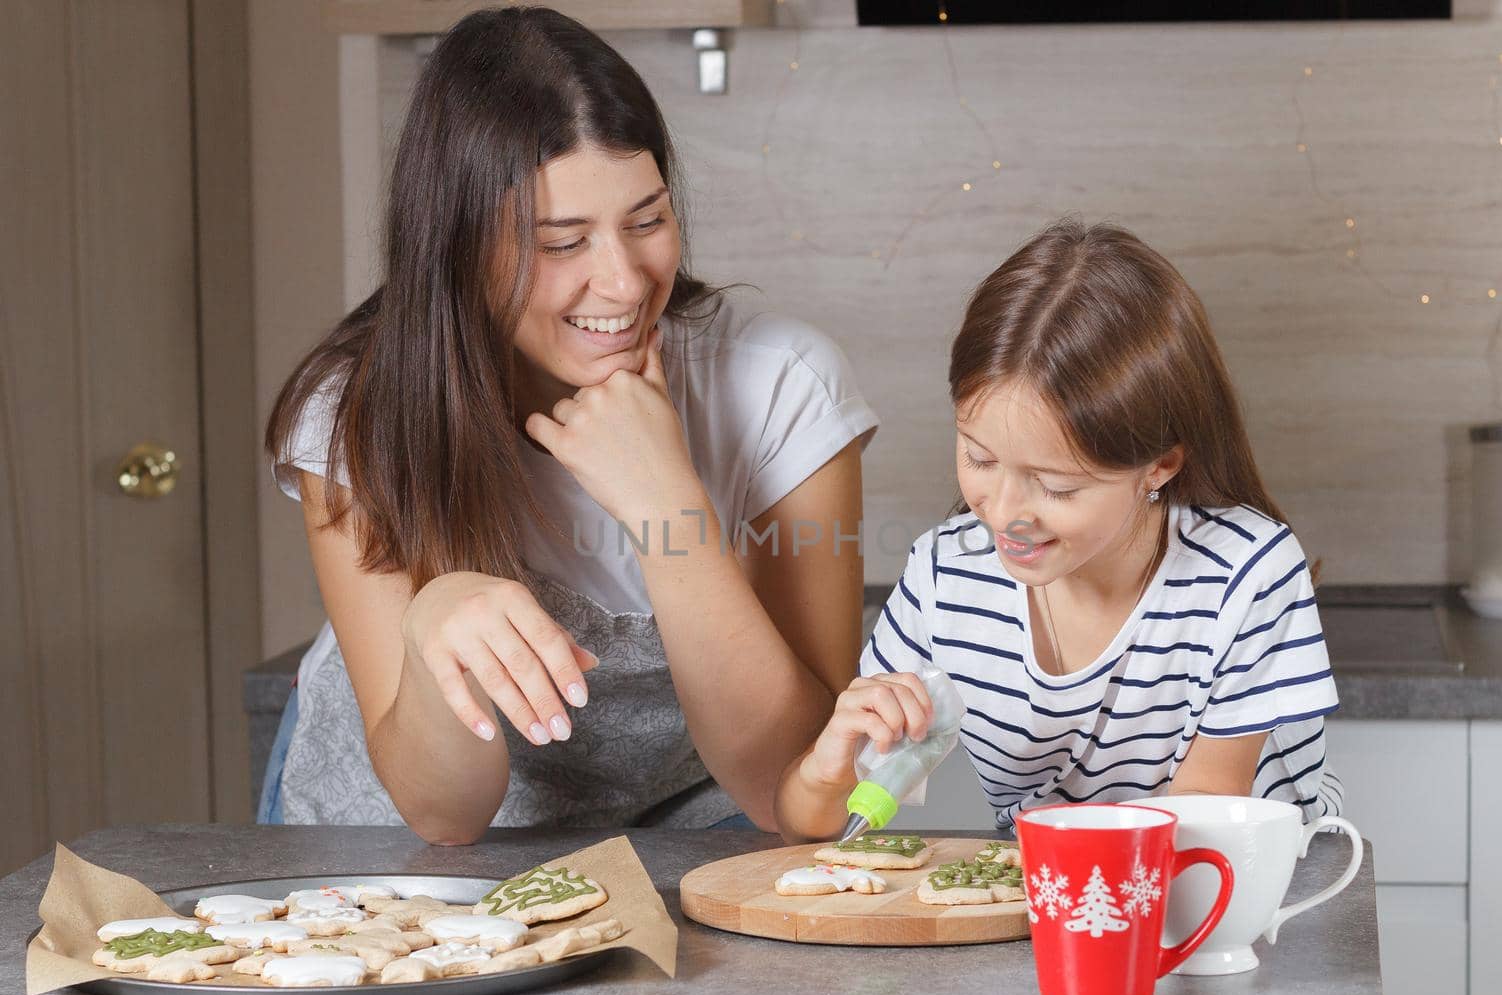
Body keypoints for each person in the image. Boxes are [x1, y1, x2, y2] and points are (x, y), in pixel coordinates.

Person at [259, 6, 878, 843]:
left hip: (688, 836)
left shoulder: (781, 389)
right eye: (562, 242)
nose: (623, 283)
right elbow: (444, 814)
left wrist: (669, 510)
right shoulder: (357, 415)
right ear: (457, 246)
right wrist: (436, 619)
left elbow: (795, 788)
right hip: (394, 845)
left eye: (647, 220)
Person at [775, 219, 1341, 842]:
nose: (1006, 513)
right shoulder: (945, 575)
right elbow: (812, 824)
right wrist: (829, 770)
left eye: (1057, 486)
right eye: (980, 458)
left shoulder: (1246, 575)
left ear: (1160, 465)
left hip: (1240, 899)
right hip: (1068, 901)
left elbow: (1202, 827)